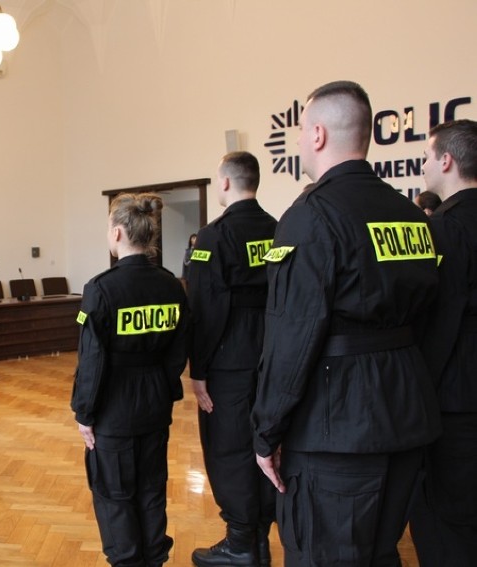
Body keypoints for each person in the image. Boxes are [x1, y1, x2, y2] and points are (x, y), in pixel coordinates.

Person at [249, 80, 441, 566]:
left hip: (337, 427)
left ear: (316, 135)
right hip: (406, 413)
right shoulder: (410, 214)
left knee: (323, 555)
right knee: (380, 553)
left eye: (299, 130)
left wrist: (266, 432)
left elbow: (291, 336)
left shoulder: (311, 216)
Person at [71, 192, 190, 566]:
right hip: (155, 405)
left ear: (119, 232)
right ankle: (154, 557)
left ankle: (126, 560)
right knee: (151, 488)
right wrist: (162, 386)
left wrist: (84, 413)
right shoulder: (171, 285)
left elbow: (92, 359)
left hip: (114, 410)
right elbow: (179, 348)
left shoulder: (101, 289)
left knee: (115, 493)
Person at [187, 152, 277, 567]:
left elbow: (207, 309)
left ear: (224, 183)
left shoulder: (213, 236)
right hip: (273, 357)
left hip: (229, 361)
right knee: (266, 442)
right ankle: (259, 536)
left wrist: (199, 370)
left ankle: (241, 541)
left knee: (228, 448)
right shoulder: (279, 228)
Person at [409, 119, 477, 565]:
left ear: (446, 161)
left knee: (444, 520)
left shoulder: (444, 230)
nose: (427, 165)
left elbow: (437, 323)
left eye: (430, 156)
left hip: (455, 398)